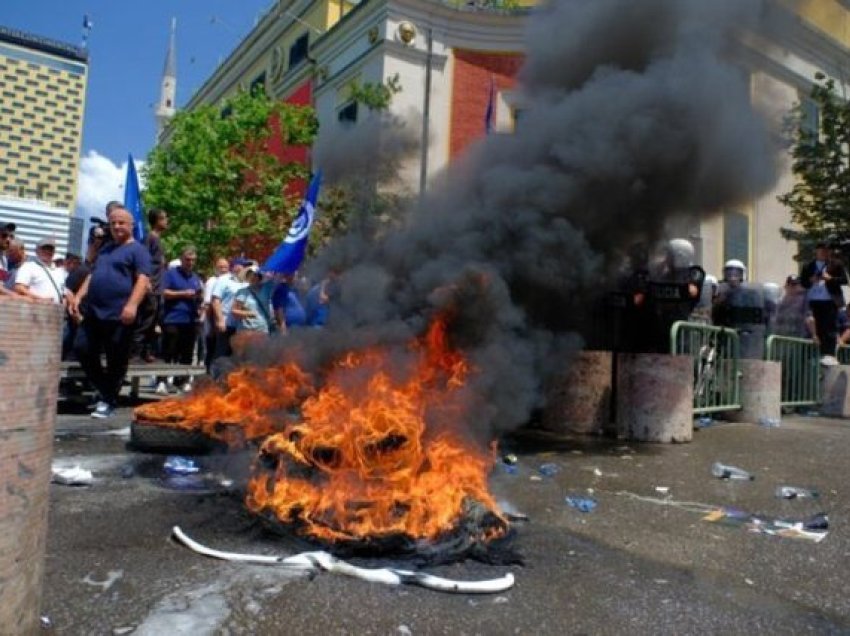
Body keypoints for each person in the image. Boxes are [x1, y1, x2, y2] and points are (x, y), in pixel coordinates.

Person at [69, 206, 152, 419]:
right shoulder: (105, 249)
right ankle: (106, 390)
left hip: (119, 315)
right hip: (94, 312)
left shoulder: (138, 250)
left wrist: (132, 305)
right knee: (82, 348)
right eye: (113, 223)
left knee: (117, 359)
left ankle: (108, 400)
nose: (116, 226)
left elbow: (143, 280)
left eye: (121, 222)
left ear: (131, 226)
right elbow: (92, 274)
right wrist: (79, 296)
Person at [159, 246, 203, 394]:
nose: (190, 263)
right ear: (181, 259)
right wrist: (183, 293)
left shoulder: (195, 278)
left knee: (187, 352)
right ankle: (162, 381)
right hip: (172, 318)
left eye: (193, 260)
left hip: (190, 320)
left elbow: (198, 297)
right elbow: (164, 292)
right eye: (187, 259)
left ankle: (182, 381)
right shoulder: (170, 274)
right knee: (169, 351)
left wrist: (199, 300)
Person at [801, 242, 847, 365]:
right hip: (813, 300)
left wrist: (830, 279)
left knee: (829, 328)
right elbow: (803, 283)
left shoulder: (836, 264)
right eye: (821, 250)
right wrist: (810, 280)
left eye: (827, 250)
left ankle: (829, 355)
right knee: (815, 328)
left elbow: (844, 280)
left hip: (829, 300)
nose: (824, 253)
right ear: (816, 251)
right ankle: (814, 355)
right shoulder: (808, 266)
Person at [132, 208, 168, 362]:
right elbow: (142, 261)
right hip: (150, 288)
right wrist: (145, 282)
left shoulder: (158, 240)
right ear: (157, 221)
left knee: (153, 322)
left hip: (158, 289)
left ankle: (146, 351)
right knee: (145, 321)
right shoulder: (150, 238)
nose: (167, 221)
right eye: (164, 218)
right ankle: (134, 354)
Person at [210, 257, 249, 361]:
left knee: (237, 356)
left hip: (241, 326)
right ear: (235, 267)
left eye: (245, 266)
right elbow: (215, 300)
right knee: (222, 354)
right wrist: (220, 320)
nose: (244, 268)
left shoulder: (247, 282)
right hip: (227, 324)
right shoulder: (224, 280)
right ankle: (217, 376)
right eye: (242, 265)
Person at [13, 236, 69, 304]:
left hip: (57, 311)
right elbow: (19, 288)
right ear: (36, 250)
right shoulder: (29, 266)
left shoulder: (59, 272)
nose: (47, 251)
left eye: (50, 249)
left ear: (54, 251)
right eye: (44, 248)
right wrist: (39, 299)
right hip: (36, 309)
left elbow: (63, 292)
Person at [201, 257, 230, 371]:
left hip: (225, 324)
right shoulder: (212, 282)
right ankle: (209, 377)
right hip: (213, 323)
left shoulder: (230, 281)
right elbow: (209, 305)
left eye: (226, 267)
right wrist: (211, 326)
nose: (223, 270)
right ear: (215, 268)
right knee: (213, 352)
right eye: (221, 267)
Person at [232, 265, 276, 336]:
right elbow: (234, 311)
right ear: (247, 277)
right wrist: (248, 313)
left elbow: (277, 278)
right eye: (250, 275)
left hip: (263, 330)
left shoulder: (266, 290)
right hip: (247, 331)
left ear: (260, 277)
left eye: (255, 275)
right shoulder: (242, 292)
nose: (253, 277)